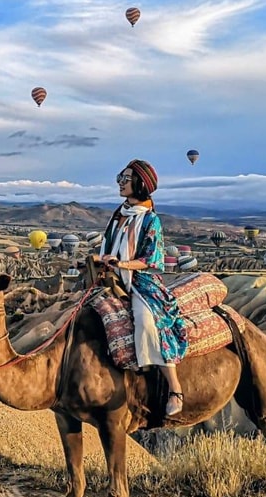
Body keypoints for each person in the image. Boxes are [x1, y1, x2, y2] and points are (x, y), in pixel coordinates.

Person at [95, 159, 188, 416]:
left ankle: (174, 388)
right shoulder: (119, 214)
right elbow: (109, 246)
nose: (121, 183)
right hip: (112, 275)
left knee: (147, 323)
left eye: (126, 178)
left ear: (140, 184)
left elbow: (152, 260)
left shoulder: (151, 220)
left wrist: (122, 264)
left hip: (142, 282)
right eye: (120, 178)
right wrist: (101, 260)